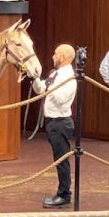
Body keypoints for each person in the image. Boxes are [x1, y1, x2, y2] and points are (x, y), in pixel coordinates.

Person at [32, 44, 77, 208]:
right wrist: (35, 77)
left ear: (63, 57)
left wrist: (48, 86)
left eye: (55, 54)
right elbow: (40, 89)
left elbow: (60, 98)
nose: (53, 56)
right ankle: (63, 192)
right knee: (58, 158)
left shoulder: (70, 78)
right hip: (52, 122)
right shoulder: (56, 74)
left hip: (61, 123)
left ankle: (64, 194)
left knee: (62, 159)